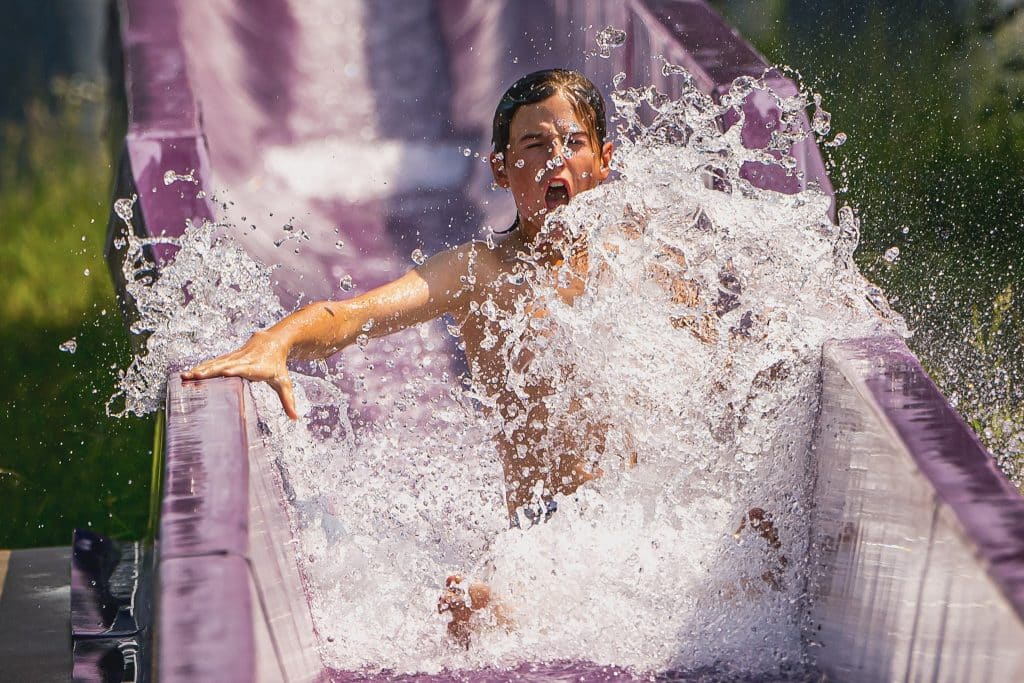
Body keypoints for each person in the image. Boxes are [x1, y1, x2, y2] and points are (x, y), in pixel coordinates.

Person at [182, 69, 616, 645]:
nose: (554, 160)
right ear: (500, 168)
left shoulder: (641, 262)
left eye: (573, 144)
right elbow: (355, 315)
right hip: (544, 536)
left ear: (604, 160)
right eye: (534, 146)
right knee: (482, 607)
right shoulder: (478, 272)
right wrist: (278, 339)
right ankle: (493, 612)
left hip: (633, 528)